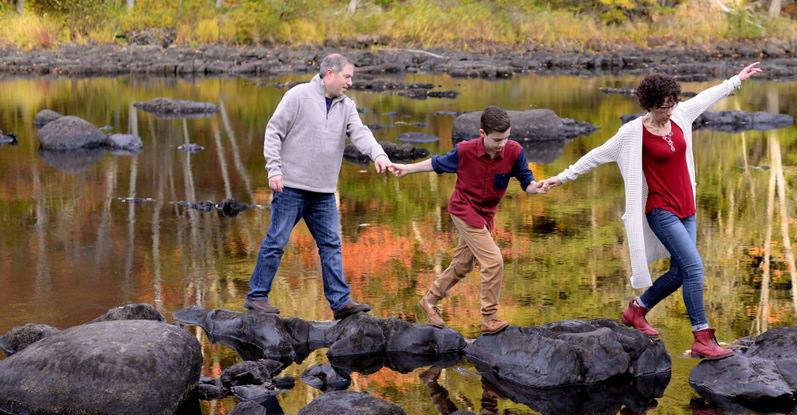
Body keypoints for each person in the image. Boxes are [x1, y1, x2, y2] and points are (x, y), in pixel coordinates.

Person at [541, 63, 762, 359]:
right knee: (695, 268)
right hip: (661, 209)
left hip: (688, 208)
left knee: (680, 272)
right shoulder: (632, 133)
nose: (668, 111)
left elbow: (707, 97)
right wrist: (562, 177)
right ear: (649, 105)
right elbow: (597, 155)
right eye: (662, 107)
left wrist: (736, 80)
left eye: (671, 104)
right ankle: (701, 336)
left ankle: (637, 310)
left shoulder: (681, 115)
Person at [245, 53, 391, 319]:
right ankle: (257, 296)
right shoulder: (298, 96)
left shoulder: (346, 106)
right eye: (347, 76)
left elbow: (360, 132)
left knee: (331, 245)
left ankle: (340, 302)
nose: (350, 82)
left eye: (351, 78)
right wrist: (274, 170)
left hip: (323, 193)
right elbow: (274, 131)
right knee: (276, 241)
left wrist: (378, 154)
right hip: (290, 187)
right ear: (330, 74)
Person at [389, 106, 543, 335]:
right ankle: (489, 318)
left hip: (485, 215)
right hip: (463, 209)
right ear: (482, 134)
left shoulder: (514, 151)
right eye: (497, 139)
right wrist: (406, 168)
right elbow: (436, 163)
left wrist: (536, 188)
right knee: (493, 261)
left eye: (507, 137)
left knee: (463, 264)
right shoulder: (465, 151)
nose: (503, 143)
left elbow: (526, 181)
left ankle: (429, 301)